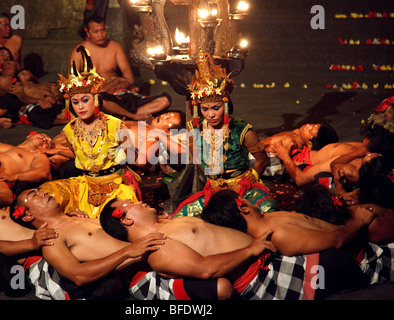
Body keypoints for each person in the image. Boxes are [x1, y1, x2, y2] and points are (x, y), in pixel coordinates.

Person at [100, 197, 393, 299]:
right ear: (125, 219)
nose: (138, 201)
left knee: (346, 256)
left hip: (269, 260)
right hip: (264, 278)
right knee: (348, 265)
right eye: (131, 204)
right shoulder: (158, 250)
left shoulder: (164, 227)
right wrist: (250, 249)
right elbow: (206, 269)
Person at [10, 188, 235, 300]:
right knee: (221, 288)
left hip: (168, 250)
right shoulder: (52, 239)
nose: (43, 193)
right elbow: (78, 274)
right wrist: (129, 252)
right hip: (141, 273)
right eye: (35, 194)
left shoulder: (80, 217)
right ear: (27, 216)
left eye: (40, 190)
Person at [169, 51, 276, 217]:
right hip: (215, 193)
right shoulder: (194, 129)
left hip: (244, 190)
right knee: (179, 218)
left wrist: (248, 181)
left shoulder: (242, 130)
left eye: (215, 108)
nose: (210, 115)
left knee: (269, 212)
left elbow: (262, 159)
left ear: (225, 105)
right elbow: (197, 161)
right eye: (205, 109)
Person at [39, 46, 141, 218]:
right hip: (85, 183)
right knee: (45, 192)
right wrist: (57, 151)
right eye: (75, 102)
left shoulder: (115, 125)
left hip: (114, 183)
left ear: (96, 100)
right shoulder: (70, 130)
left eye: (85, 100)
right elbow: (82, 155)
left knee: (121, 212)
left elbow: (132, 156)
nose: (80, 106)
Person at [201, 189, 374, 256]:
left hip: (349, 232)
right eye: (244, 199)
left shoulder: (268, 219)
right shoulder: (279, 236)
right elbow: (338, 241)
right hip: (360, 249)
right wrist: (360, 222)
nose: (249, 200)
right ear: (243, 208)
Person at [69, 16, 171, 120]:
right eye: (96, 31)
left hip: (120, 94)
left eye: (103, 30)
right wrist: (105, 86)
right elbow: (73, 81)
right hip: (99, 97)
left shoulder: (115, 46)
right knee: (97, 100)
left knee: (165, 100)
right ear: (88, 33)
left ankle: (119, 115)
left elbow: (127, 74)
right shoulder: (79, 51)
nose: (101, 34)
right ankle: (132, 115)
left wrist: (124, 84)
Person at [260, 122, 339, 154]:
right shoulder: (297, 132)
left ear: (309, 143)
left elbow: (262, 152)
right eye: (312, 124)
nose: (307, 125)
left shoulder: (290, 142)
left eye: (310, 130)